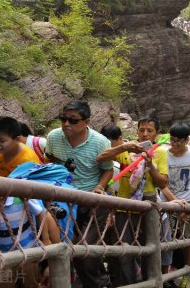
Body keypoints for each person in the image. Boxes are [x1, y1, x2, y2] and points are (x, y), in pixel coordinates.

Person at [45, 101, 114, 288]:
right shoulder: (53, 137)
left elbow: (108, 170)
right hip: (62, 201)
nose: (67, 124)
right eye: (64, 119)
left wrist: (100, 186)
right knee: (64, 247)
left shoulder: (100, 142)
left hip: (91, 200)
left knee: (87, 251)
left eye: (73, 121)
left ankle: (100, 284)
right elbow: (49, 160)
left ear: (87, 122)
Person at [97, 119, 169, 285]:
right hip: (124, 204)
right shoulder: (127, 150)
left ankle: (148, 282)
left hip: (148, 204)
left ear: (157, 133)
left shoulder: (161, 153)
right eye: (141, 130)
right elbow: (100, 158)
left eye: (149, 130)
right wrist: (124, 147)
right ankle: (128, 283)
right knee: (125, 249)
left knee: (149, 248)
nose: (144, 134)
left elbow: (163, 183)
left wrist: (150, 164)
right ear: (137, 131)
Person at [161, 123, 190, 270]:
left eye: (178, 141)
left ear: (186, 140)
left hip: (187, 202)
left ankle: (187, 269)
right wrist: (175, 205)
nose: (174, 144)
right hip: (167, 201)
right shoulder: (163, 153)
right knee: (166, 238)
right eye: (172, 139)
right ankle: (167, 271)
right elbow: (161, 183)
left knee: (188, 238)